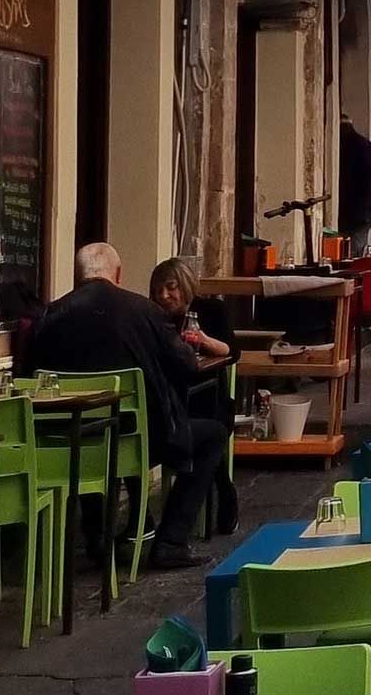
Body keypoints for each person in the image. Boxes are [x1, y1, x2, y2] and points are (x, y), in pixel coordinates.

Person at [27, 242, 227, 569]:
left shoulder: (49, 316)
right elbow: (186, 365)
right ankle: (171, 541)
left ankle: (98, 539)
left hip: (66, 445)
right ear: (117, 274)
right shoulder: (144, 311)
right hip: (140, 440)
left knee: (90, 431)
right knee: (214, 434)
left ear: (78, 276)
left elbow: (28, 377)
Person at [147, 257, 239, 532]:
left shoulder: (211, 310)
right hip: (170, 400)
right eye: (158, 290)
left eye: (171, 287)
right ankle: (147, 521)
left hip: (209, 398)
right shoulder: (154, 317)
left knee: (210, 426)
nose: (164, 296)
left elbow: (232, 352)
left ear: (185, 285)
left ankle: (224, 491)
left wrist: (203, 340)